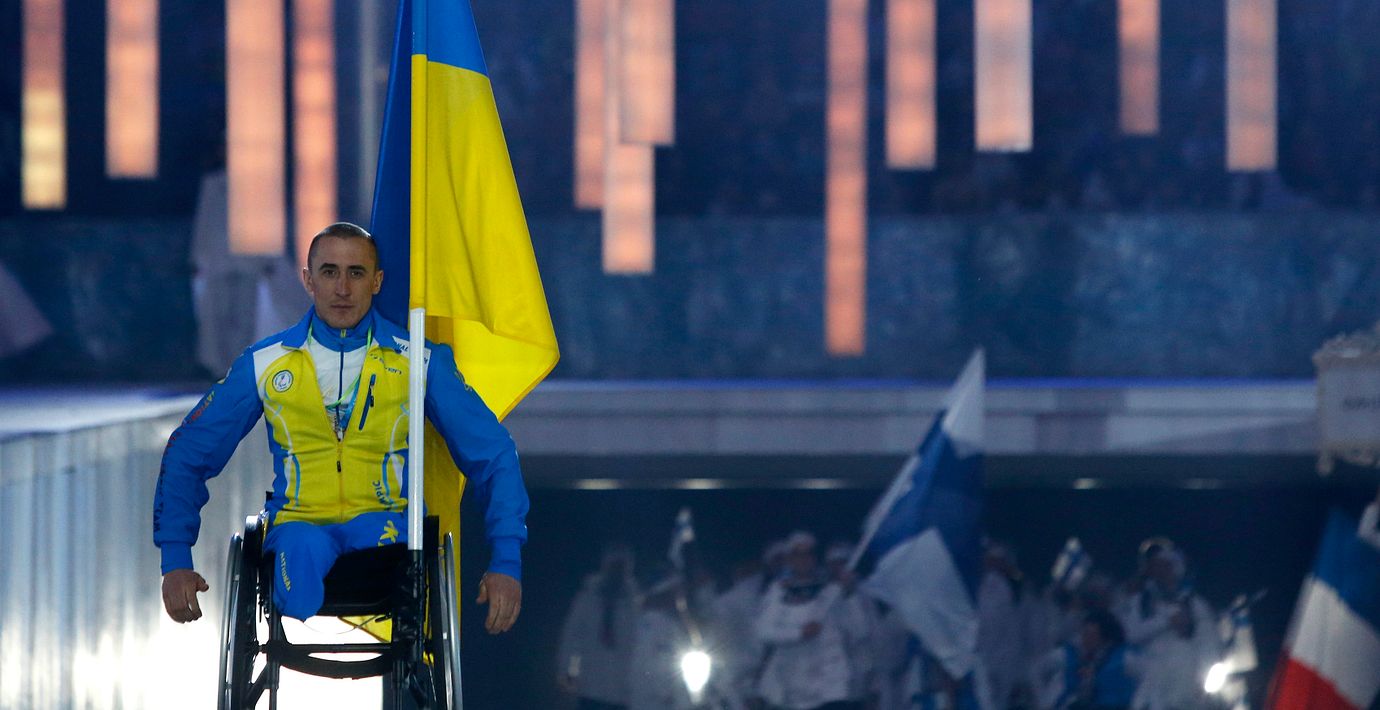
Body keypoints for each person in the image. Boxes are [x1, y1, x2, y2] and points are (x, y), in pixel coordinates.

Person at [153, 223, 527, 635]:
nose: (343, 289)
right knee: (301, 554)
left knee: (391, 552)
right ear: (308, 280)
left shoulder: (419, 362)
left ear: (377, 281)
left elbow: (494, 453)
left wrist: (506, 561)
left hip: (387, 537)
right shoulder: (265, 363)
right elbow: (188, 450)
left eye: (356, 273)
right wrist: (176, 560)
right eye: (329, 272)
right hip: (299, 531)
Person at [754, 531, 858, 710]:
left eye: (808, 554)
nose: (803, 560)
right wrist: (799, 633)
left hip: (833, 686)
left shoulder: (831, 590)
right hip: (797, 689)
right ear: (790, 559)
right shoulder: (779, 592)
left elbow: (858, 630)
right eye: (798, 555)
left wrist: (850, 594)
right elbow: (763, 631)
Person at [1118, 540, 1219, 710]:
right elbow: (1130, 635)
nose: (1161, 571)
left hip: (1186, 682)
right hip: (1152, 682)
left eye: (1165, 566)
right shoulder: (1139, 603)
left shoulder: (1195, 604)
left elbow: (1208, 643)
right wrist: (1166, 622)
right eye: (1155, 566)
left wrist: (1205, 677)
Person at [558, 543, 641, 710]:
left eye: (621, 566)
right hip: (590, 687)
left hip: (621, 691)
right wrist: (567, 670)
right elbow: (571, 637)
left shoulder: (634, 604)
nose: (617, 571)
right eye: (614, 565)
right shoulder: (587, 599)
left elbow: (639, 644)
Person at [1033, 609, 1140, 710]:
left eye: (1092, 635)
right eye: (1084, 633)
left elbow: (1147, 678)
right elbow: (1037, 670)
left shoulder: (1124, 657)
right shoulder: (1069, 653)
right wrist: (1042, 702)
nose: (1085, 639)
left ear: (1105, 637)